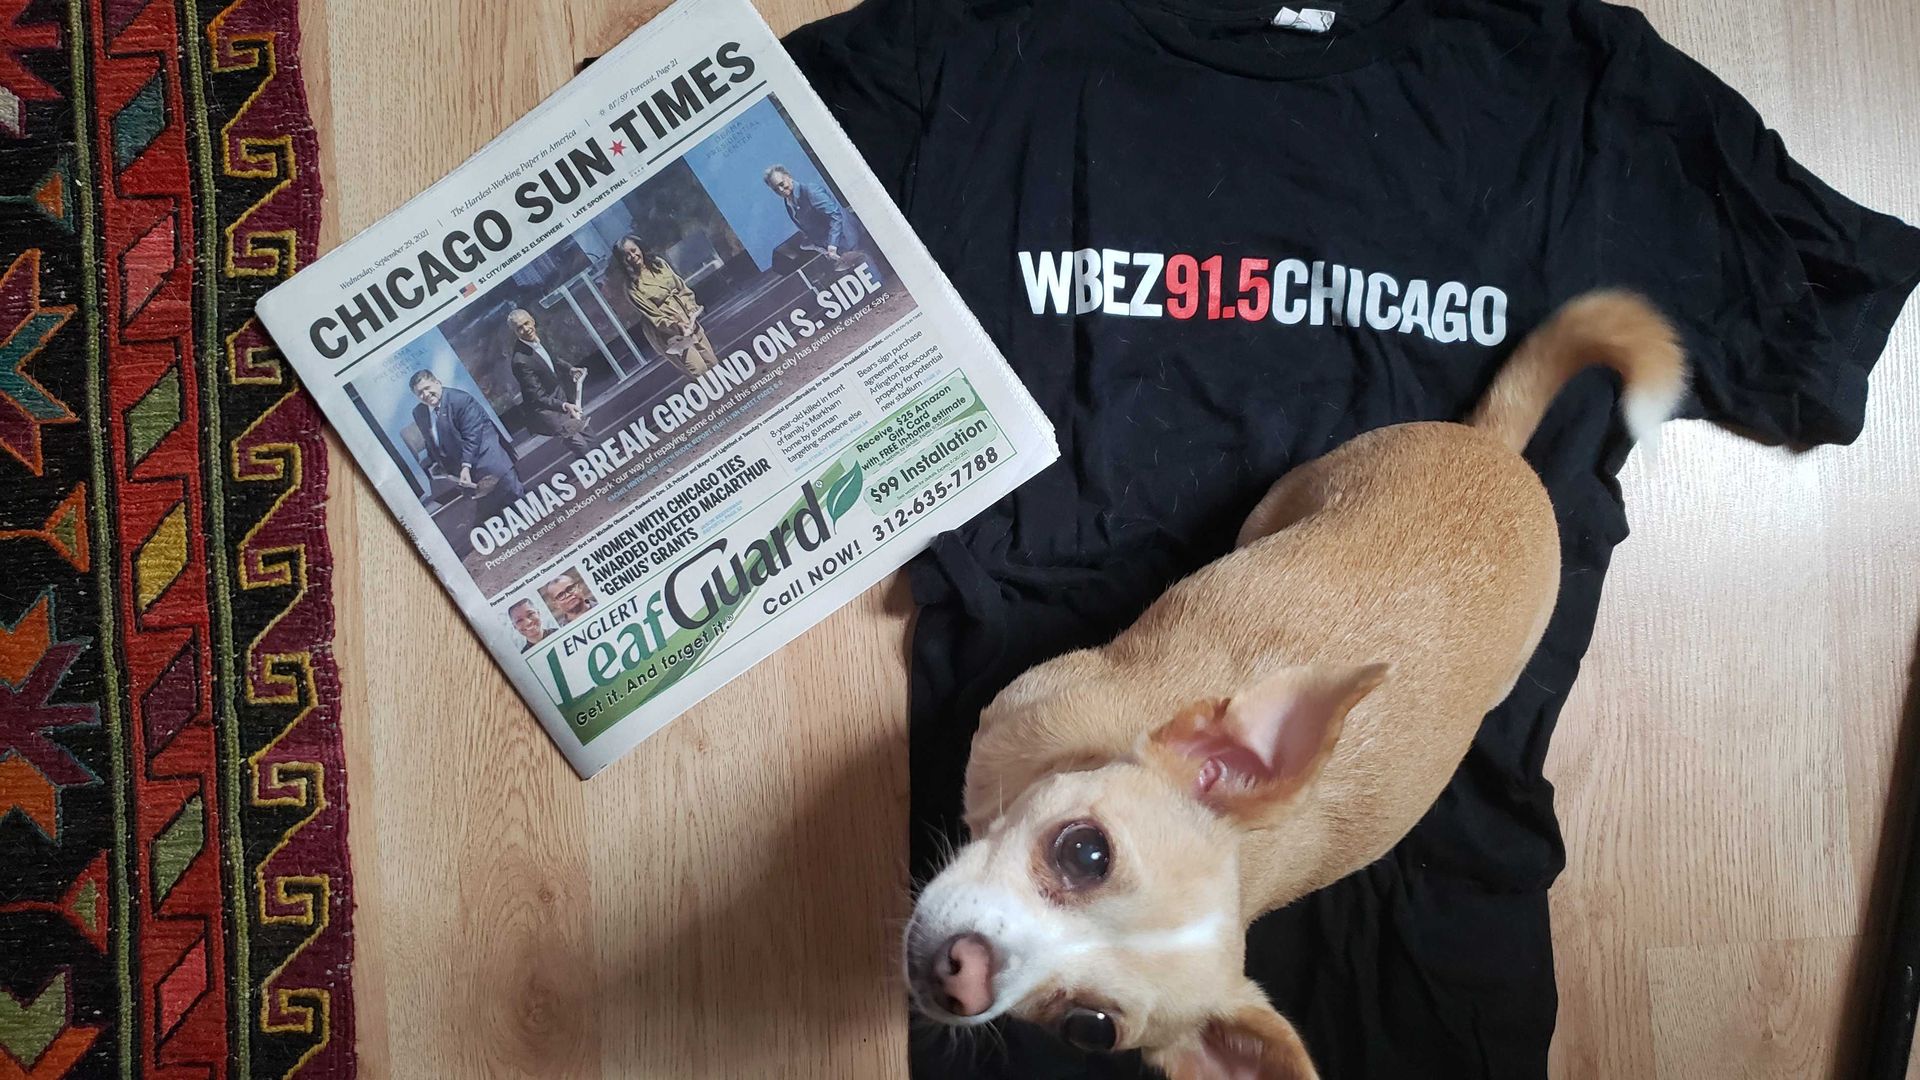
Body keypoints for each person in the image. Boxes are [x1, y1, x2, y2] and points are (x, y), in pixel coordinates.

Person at [408, 371, 522, 522]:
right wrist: (437, 464)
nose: (426, 394)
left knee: (522, 508)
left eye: (428, 388)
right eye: (420, 393)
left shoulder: (460, 400)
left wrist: (465, 466)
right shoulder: (419, 412)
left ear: (438, 382)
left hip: (490, 464)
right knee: (498, 522)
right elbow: (432, 440)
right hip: (468, 480)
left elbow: (472, 437)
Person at [612, 235, 720, 378]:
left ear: (640, 248)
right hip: (668, 332)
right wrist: (677, 326)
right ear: (622, 261)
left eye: (634, 250)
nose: (633, 256)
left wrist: (690, 308)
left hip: (688, 317)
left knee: (712, 362)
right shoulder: (632, 287)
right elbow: (655, 317)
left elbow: (681, 288)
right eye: (627, 255)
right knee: (699, 370)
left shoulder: (659, 264)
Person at [506, 308, 592, 452]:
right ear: (515, 332)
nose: (526, 329)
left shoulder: (539, 337)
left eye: (526, 323)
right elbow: (538, 397)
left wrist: (569, 368)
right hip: (549, 411)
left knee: (589, 435)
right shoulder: (520, 361)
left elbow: (550, 359)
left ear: (532, 320)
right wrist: (564, 406)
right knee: (581, 445)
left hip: (563, 397)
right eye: (519, 328)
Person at [764, 165, 865, 264]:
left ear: (788, 177)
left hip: (853, 244)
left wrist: (832, 245)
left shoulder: (811, 191)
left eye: (781, 184)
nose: (781, 190)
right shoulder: (788, 204)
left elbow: (836, 216)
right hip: (838, 255)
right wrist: (822, 249)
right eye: (776, 189)